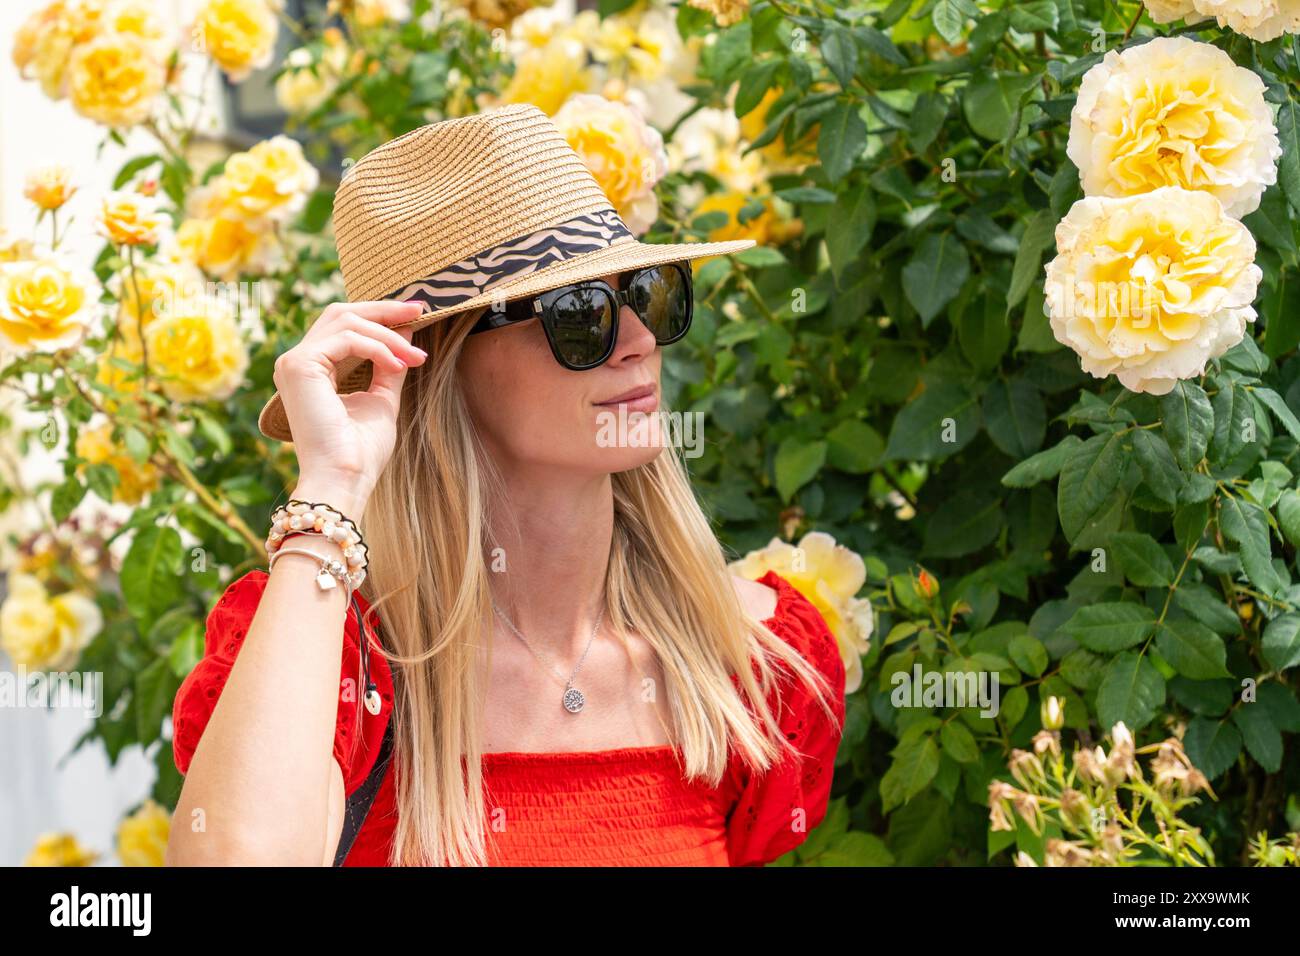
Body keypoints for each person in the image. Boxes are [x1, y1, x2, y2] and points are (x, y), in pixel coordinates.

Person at [166, 103, 846, 867]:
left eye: (650, 290)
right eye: (580, 312)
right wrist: (332, 486)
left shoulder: (748, 662)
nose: (641, 339)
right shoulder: (346, 664)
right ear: (436, 364)